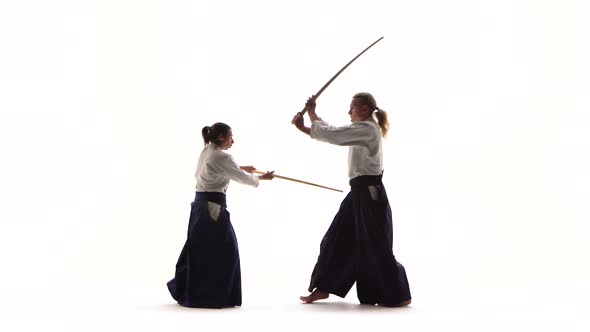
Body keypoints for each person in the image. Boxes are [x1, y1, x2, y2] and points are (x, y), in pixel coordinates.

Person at [291, 92, 411, 307]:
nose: (349, 111)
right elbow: (334, 132)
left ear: (364, 109)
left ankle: (399, 293)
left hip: (369, 193)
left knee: (376, 245)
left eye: (352, 107)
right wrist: (309, 118)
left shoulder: (367, 129)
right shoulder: (361, 129)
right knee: (337, 238)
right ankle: (323, 288)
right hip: (358, 192)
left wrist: (308, 119)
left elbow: (335, 134)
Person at [167, 122, 274, 308]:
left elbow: (220, 169)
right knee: (225, 251)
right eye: (231, 136)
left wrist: (241, 168)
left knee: (202, 250)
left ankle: (201, 293)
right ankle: (212, 296)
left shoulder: (207, 151)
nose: (233, 140)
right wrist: (262, 178)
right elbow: (241, 177)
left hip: (201, 207)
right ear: (221, 137)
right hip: (212, 208)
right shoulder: (221, 157)